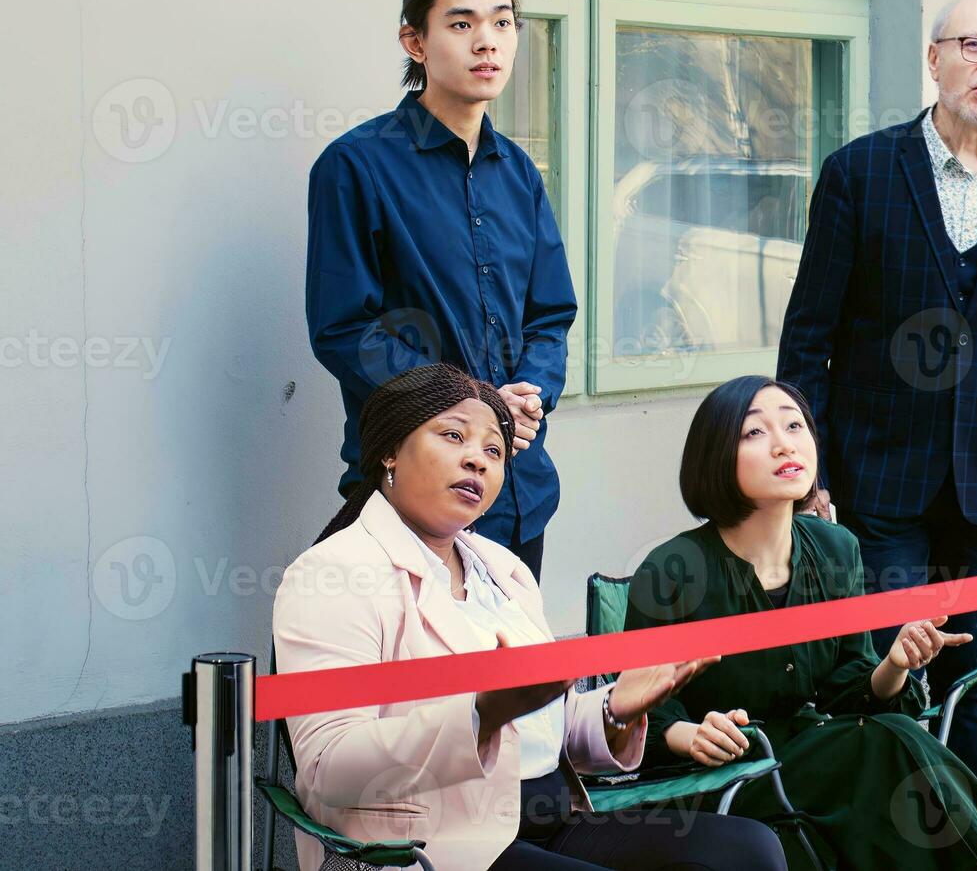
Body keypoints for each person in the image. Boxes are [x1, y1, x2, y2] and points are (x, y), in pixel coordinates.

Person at [274, 363, 786, 871]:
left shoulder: (503, 569)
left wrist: (612, 711)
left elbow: (543, 727)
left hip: (547, 818)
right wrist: (479, 714)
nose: (476, 460)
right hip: (436, 843)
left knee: (748, 851)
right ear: (390, 450)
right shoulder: (332, 575)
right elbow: (328, 770)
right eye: (453, 436)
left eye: (494, 450)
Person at [775, 0, 977, 782]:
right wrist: (809, 476)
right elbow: (810, 338)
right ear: (934, 57)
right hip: (877, 485)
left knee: (970, 683)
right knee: (889, 676)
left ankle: (963, 846)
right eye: (973, 44)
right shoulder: (860, 173)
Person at [623, 375, 977, 871]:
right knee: (887, 747)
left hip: (817, 757)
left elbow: (848, 686)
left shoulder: (837, 548)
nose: (784, 443)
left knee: (890, 740)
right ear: (716, 454)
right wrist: (687, 733)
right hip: (720, 780)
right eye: (755, 433)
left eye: (794, 425)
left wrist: (895, 665)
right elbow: (632, 710)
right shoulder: (672, 567)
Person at [307, 0, 575, 579]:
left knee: (508, 674)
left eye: (504, 23)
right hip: (410, 490)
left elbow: (551, 314)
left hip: (516, 491)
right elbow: (346, 330)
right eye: (461, 24)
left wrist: (526, 400)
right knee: (415, 675)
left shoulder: (520, 174)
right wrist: (471, 405)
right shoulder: (357, 165)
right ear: (415, 41)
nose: (488, 42)